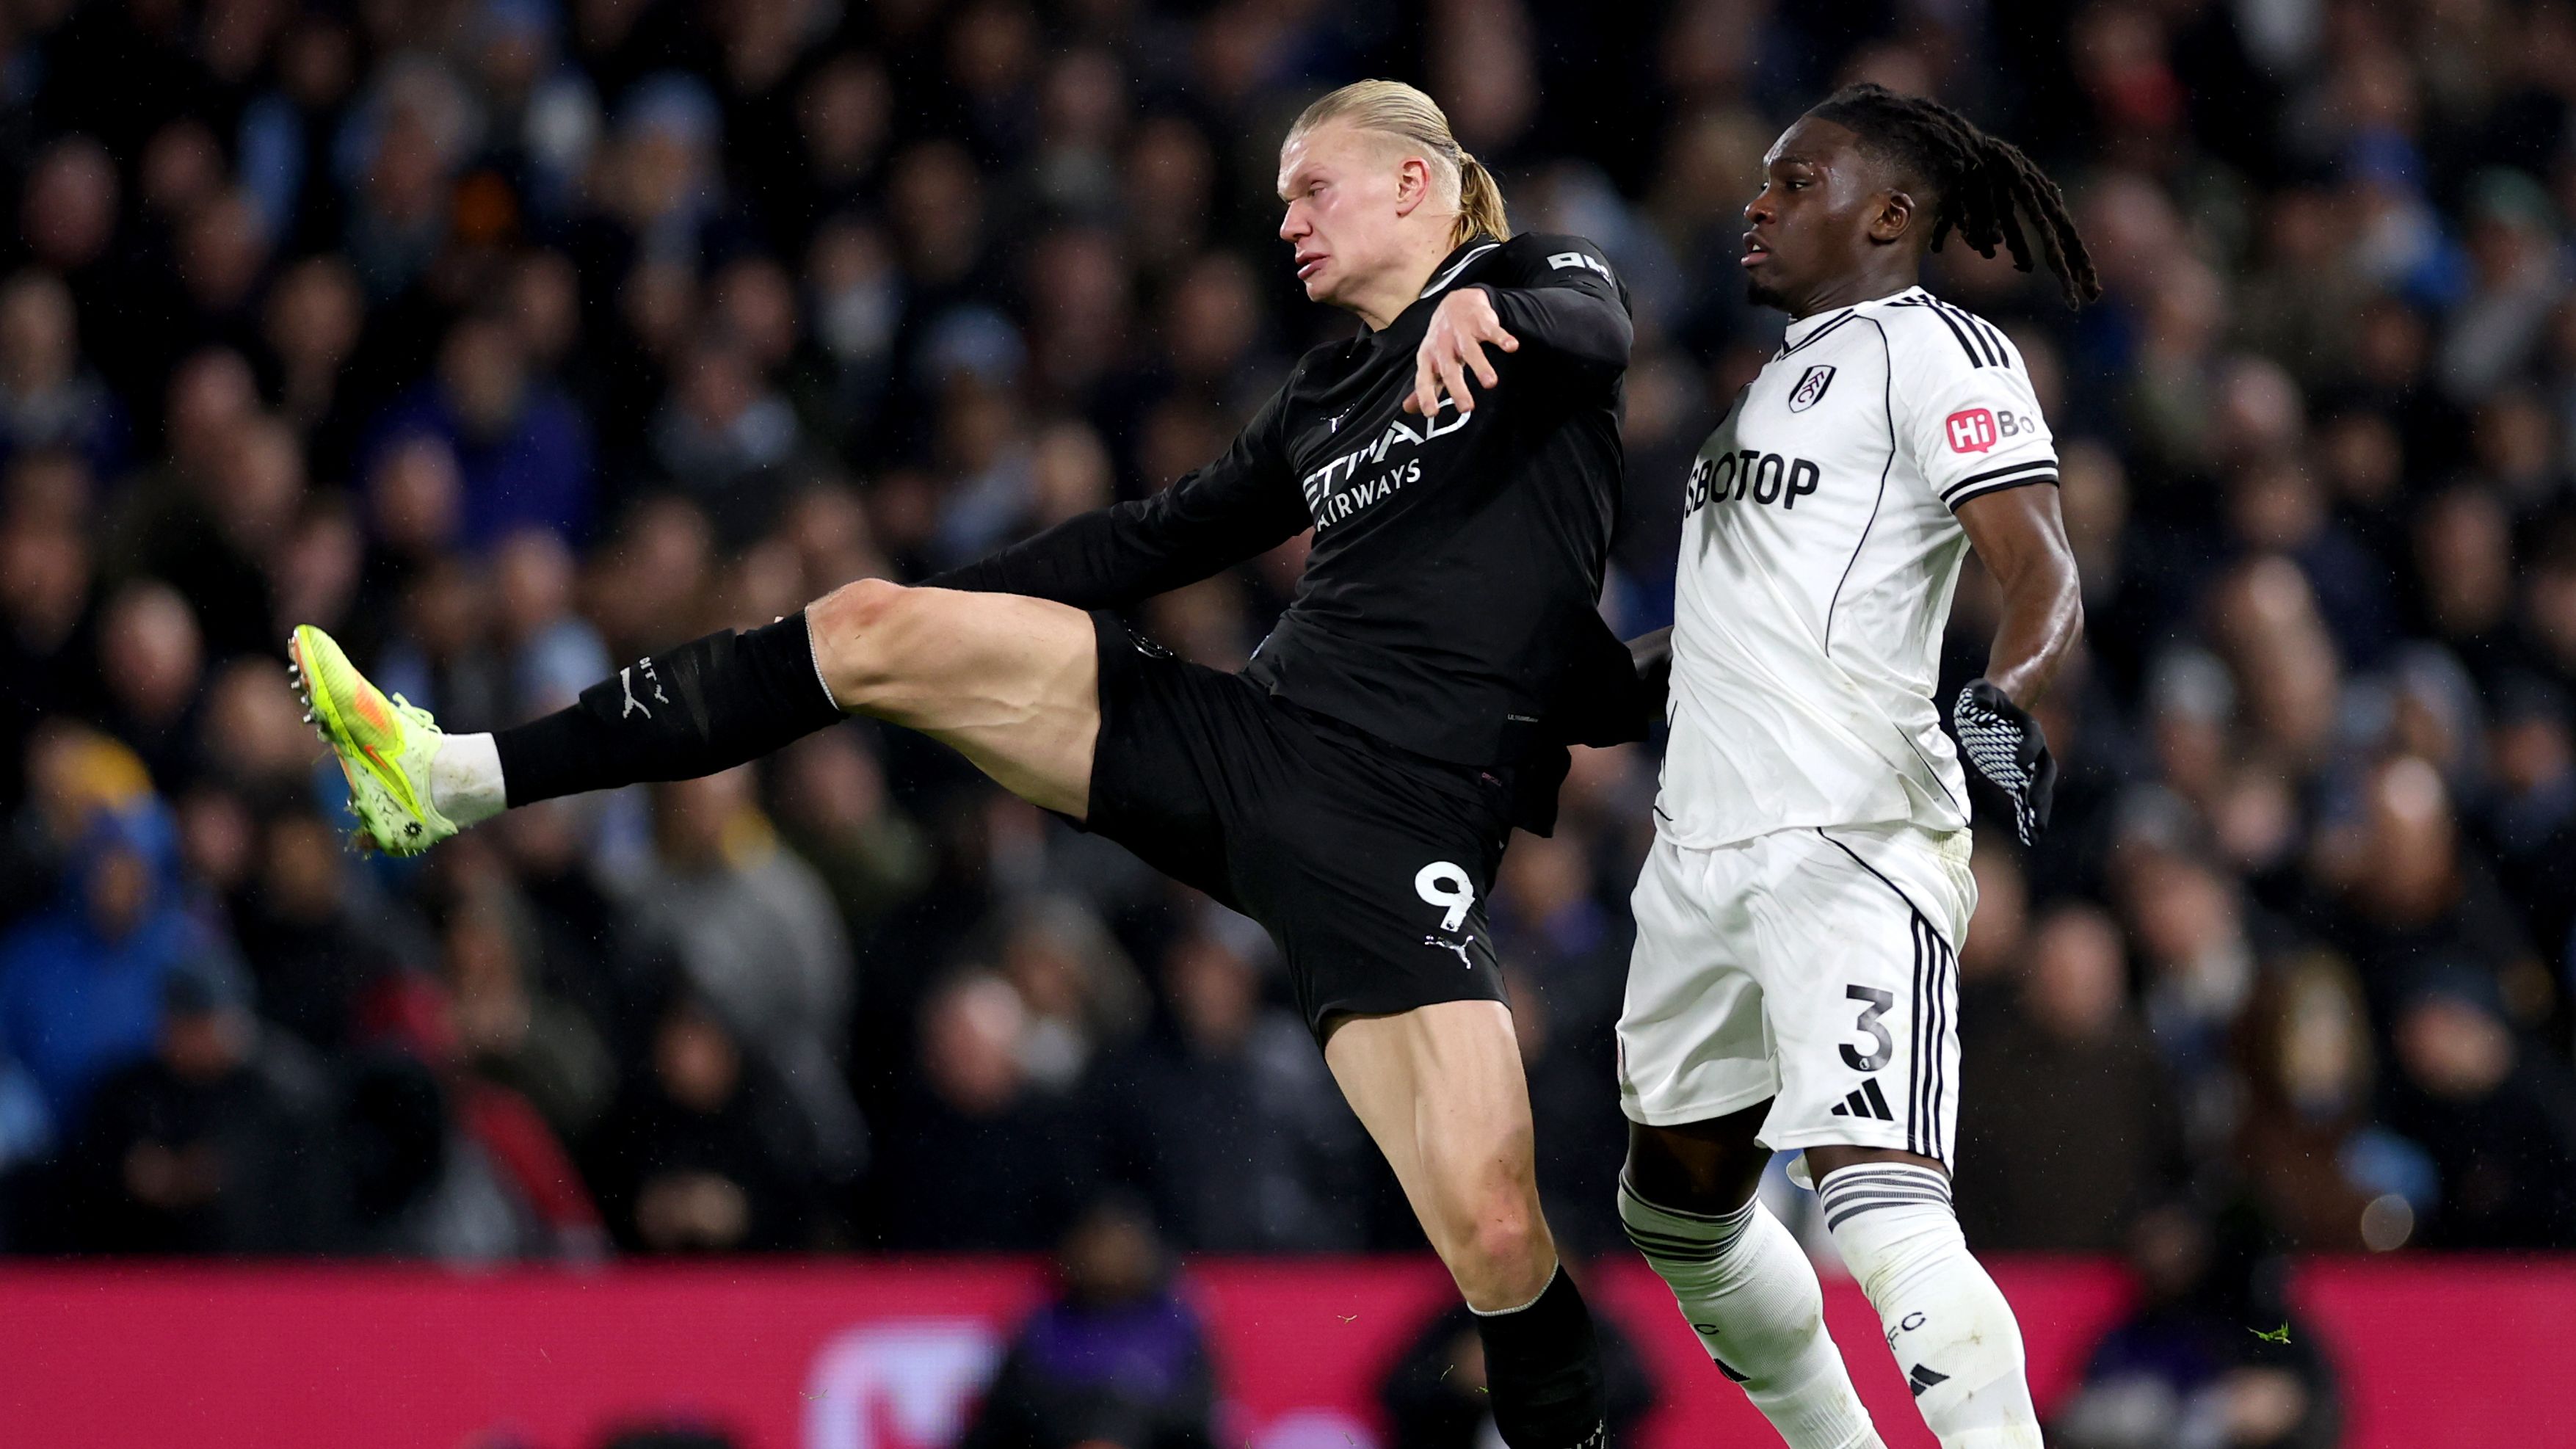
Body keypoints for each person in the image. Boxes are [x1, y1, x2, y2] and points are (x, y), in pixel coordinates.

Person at [288, 79, 1636, 1447]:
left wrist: (1495, 306)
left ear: (1413, 184)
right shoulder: (1327, 391)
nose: (1283, 218)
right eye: (1280, 192)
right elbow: (1141, 544)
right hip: (1251, 752)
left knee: (1494, 1232)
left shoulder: (1535, 285)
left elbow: (1603, 323)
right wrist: (943, 618)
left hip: (1399, 833)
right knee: (866, 628)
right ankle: (453, 775)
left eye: (1311, 188)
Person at [1611, 85, 2095, 1449]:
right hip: (1698, 848)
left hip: (1846, 839)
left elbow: (2043, 566)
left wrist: (1999, 699)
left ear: (1888, 214)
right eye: (1759, 182)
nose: (1755, 205)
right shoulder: (1768, 386)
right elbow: (1735, 625)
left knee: (1878, 1204)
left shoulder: (1940, 349)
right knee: (1674, 1212)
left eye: (1793, 181)